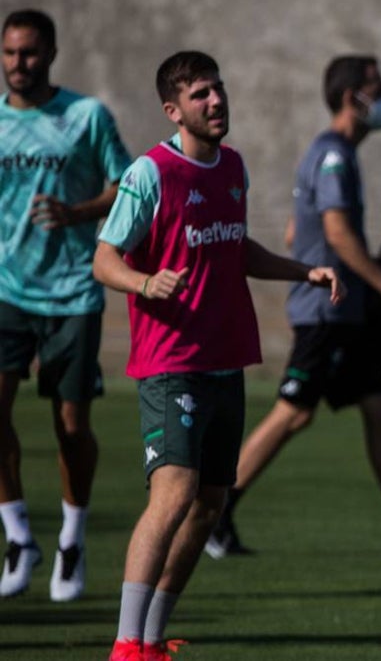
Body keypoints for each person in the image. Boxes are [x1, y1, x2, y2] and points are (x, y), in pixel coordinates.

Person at [92, 50, 342, 660]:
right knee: (172, 495)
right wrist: (145, 283)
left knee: (207, 507)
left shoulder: (232, 166)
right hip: (169, 363)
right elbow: (105, 259)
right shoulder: (149, 174)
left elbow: (237, 249)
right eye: (200, 94)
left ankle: (150, 640)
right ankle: (125, 644)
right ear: (173, 110)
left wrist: (300, 271)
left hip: (224, 361)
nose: (216, 100)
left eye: (218, 88)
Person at [205, 55, 381, 560]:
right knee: (293, 412)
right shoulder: (333, 156)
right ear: (353, 98)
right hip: (325, 312)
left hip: (345, 313)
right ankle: (215, 512)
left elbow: (292, 229)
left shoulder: (333, 154)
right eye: (378, 88)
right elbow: (337, 233)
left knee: (378, 404)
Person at [0, 9, 131, 601]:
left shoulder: (85, 116)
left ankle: (72, 539)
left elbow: (126, 186)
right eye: (8, 53)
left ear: (50, 53)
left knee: (71, 426)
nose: (16, 64)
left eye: (28, 53)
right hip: (6, 287)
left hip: (74, 290)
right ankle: (19, 536)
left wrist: (78, 213)